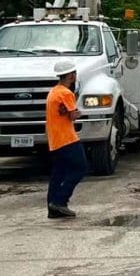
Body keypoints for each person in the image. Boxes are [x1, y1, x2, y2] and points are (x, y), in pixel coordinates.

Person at [45, 59, 87, 219]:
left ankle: (52, 209)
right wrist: (79, 113)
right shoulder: (66, 93)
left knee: (58, 173)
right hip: (68, 138)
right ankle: (60, 201)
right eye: (74, 73)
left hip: (55, 139)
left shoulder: (53, 92)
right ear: (70, 75)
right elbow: (72, 115)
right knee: (80, 168)